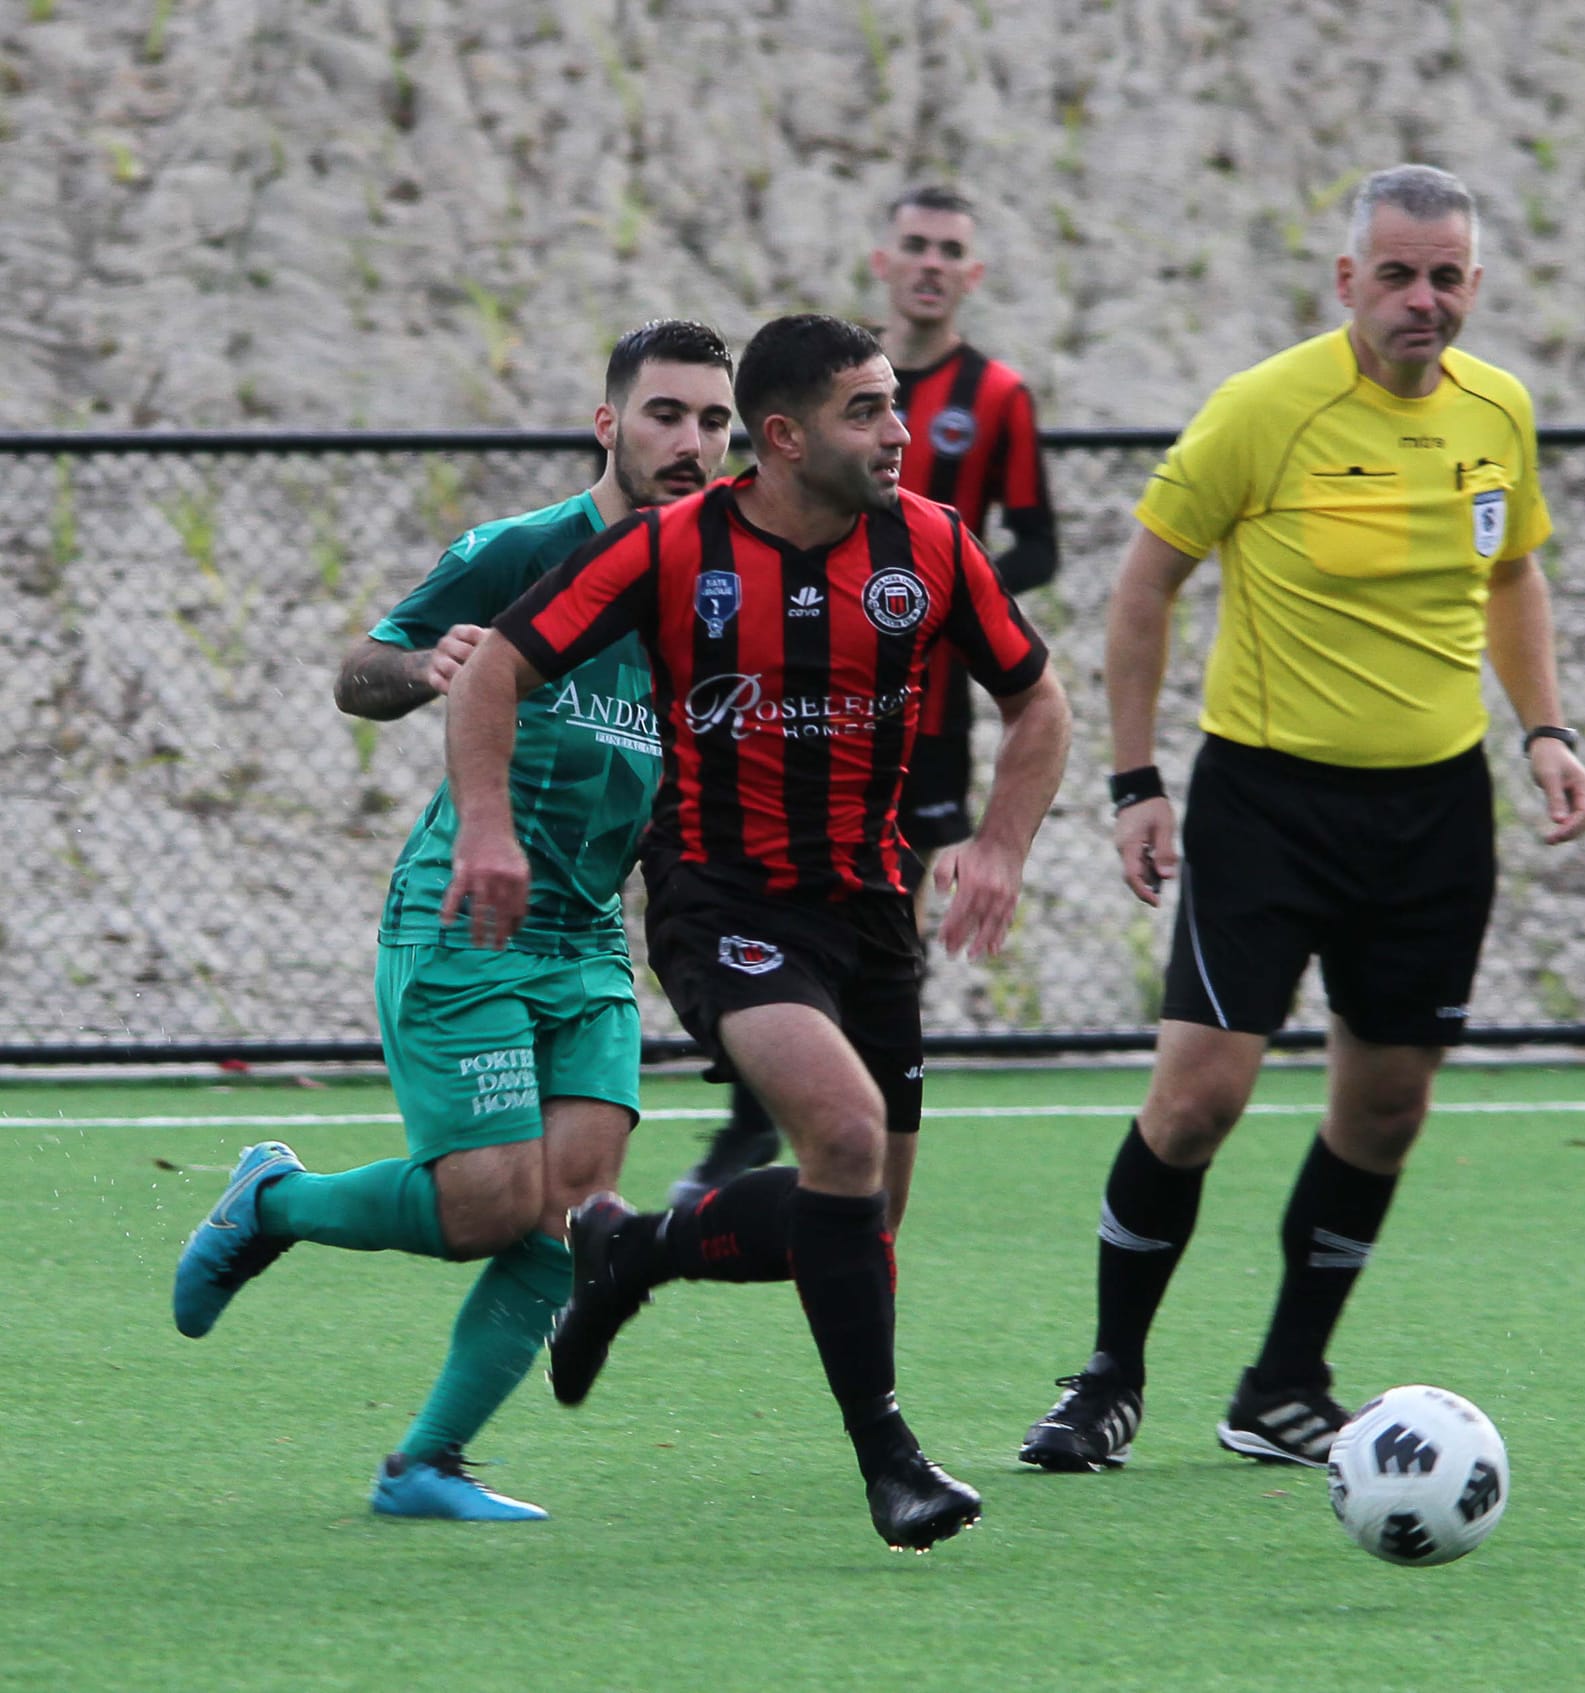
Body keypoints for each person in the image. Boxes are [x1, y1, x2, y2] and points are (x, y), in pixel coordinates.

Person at [443, 313, 1070, 1549]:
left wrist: (999, 844)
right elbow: (490, 672)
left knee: (864, 1216)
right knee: (838, 1135)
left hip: (867, 910)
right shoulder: (674, 550)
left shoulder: (930, 544)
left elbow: (1036, 696)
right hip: (721, 903)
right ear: (783, 439)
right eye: (867, 411)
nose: (899, 431)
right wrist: (485, 827)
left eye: (895, 404)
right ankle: (891, 1462)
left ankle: (631, 1253)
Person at [1019, 165, 1585, 1474]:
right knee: (1196, 1099)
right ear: (1347, 281)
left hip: (1436, 814)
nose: (1423, 299)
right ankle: (1108, 1376)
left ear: (1475, 286)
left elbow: (1511, 576)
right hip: (1268, 806)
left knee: (1386, 1107)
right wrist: (1134, 781)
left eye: (1447, 276)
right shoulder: (1264, 411)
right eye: (1397, 273)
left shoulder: (1497, 410)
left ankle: (1285, 1384)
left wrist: (1545, 731)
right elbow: (1144, 588)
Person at [170, 320, 738, 1521]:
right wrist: (431, 664)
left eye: (712, 421)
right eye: (665, 415)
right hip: (465, 918)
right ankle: (270, 1200)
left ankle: (426, 1465)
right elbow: (356, 671)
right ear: (609, 425)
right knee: (483, 1203)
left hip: (585, 937)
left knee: (572, 1205)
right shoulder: (522, 551)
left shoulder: (717, 585)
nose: (691, 442)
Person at [671, 184, 1059, 1211]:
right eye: (915, 246)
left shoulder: (998, 398)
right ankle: (762, 1117)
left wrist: (935, 600)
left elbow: (1042, 541)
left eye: (951, 251)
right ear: (883, 262)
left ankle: (845, 1109)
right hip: (774, 722)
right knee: (773, 893)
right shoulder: (825, 383)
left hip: (919, 717)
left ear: (971, 276)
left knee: (882, 903)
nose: (931, 264)